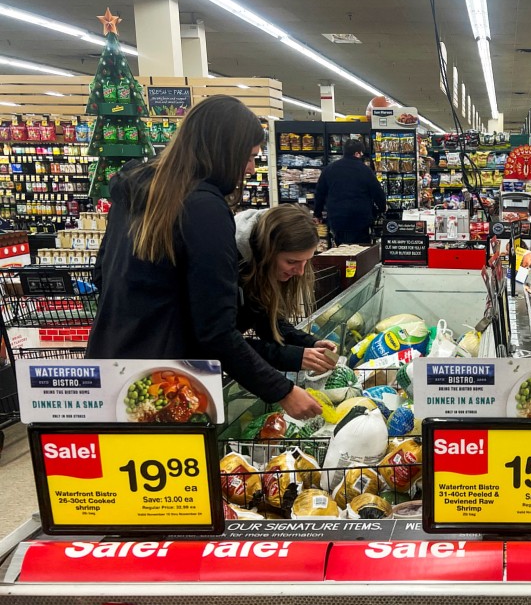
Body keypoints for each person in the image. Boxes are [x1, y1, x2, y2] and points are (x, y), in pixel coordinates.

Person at [87, 95, 323, 420]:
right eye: (249, 157)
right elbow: (214, 329)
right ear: (225, 149)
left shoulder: (135, 191)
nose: (251, 169)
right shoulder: (204, 208)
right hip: (170, 384)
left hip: (111, 366)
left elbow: (101, 275)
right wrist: (281, 390)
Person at [235, 204, 337, 374]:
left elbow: (267, 321)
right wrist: (294, 357)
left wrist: (309, 343)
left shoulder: (259, 266)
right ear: (267, 251)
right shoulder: (228, 267)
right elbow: (221, 343)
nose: (300, 272)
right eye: (291, 262)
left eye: (306, 261)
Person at [313, 138, 386, 245]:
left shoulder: (329, 169)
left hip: (337, 217)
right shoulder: (365, 170)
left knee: (341, 247)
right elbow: (377, 193)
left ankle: (343, 260)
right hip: (360, 217)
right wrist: (381, 209)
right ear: (357, 153)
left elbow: (320, 193)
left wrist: (317, 213)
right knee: (361, 248)